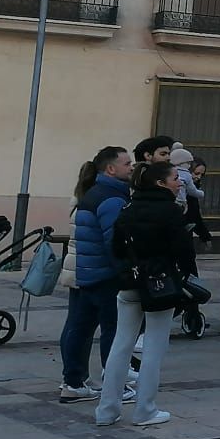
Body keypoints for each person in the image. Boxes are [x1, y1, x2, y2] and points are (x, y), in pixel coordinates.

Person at [95, 160, 190, 428]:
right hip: (160, 285)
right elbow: (183, 249)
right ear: (161, 183)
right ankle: (145, 410)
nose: (179, 182)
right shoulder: (170, 211)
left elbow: (116, 247)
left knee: (121, 344)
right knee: (153, 349)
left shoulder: (128, 207)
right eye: (175, 178)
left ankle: (106, 409)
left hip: (129, 282)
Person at [59, 146, 131, 403]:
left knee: (80, 328)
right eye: (126, 163)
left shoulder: (91, 194)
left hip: (87, 273)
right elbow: (115, 241)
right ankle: (116, 386)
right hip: (106, 275)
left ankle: (73, 383)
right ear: (111, 169)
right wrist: (125, 271)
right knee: (114, 331)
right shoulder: (111, 198)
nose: (131, 167)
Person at [169, 145, 214, 249]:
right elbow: (194, 216)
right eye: (196, 173)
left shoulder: (191, 189)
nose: (198, 177)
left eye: (202, 175)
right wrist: (205, 236)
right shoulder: (184, 188)